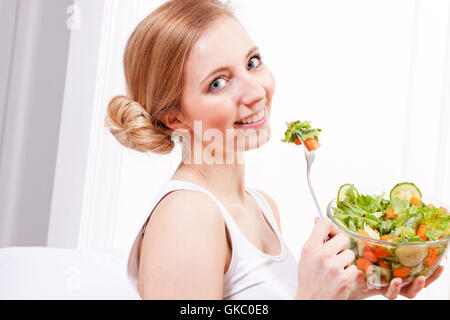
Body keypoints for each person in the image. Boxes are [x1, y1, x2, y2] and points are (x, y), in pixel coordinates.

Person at [105, 0, 443, 300]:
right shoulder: (187, 217)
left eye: (252, 63)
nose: (255, 92)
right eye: (218, 83)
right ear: (174, 117)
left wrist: (350, 290)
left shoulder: (262, 207)